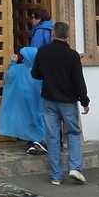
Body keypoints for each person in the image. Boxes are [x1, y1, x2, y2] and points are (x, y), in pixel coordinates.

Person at [31, 21, 89, 186]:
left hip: (49, 99)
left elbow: (35, 74)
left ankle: (56, 176)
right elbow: (79, 80)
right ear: (67, 35)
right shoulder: (72, 55)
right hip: (68, 101)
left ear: (53, 34)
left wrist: (48, 75)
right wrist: (84, 100)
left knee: (53, 136)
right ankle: (75, 167)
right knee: (73, 133)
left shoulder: (43, 51)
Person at [0, 46, 48, 155]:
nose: (23, 59)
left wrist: (12, 63)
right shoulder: (41, 70)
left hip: (22, 102)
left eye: (24, 57)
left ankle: (34, 143)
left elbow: (8, 77)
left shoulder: (17, 69)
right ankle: (38, 142)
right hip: (38, 101)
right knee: (38, 121)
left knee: (26, 121)